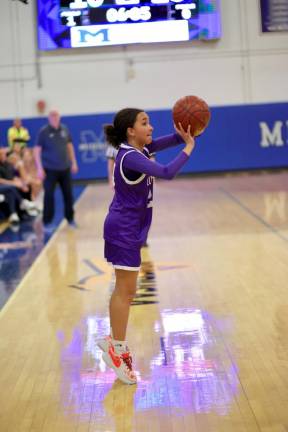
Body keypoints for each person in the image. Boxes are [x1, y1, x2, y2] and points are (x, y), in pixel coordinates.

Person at [97, 108, 195, 384]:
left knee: (127, 289)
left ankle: (114, 341)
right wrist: (189, 148)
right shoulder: (130, 157)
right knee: (126, 291)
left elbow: (164, 142)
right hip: (123, 229)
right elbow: (167, 172)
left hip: (129, 227)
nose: (150, 127)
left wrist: (184, 135)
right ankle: (117, 351)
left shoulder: (136, 150)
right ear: (131, 131)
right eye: (144, 123)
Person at [34, 109, 78, 229]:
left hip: (65, 168)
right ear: (49, 117)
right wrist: (39, 168)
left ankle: (70, 219)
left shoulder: (65, 129)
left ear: (59, 116)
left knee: (68, 195)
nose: (54, 117)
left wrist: (73, 162)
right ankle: (47, 222)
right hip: (49, 169)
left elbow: (69, 146)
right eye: (52, 115)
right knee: (49, 196)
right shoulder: (44, 131)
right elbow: (37, 150)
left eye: (56, 115)